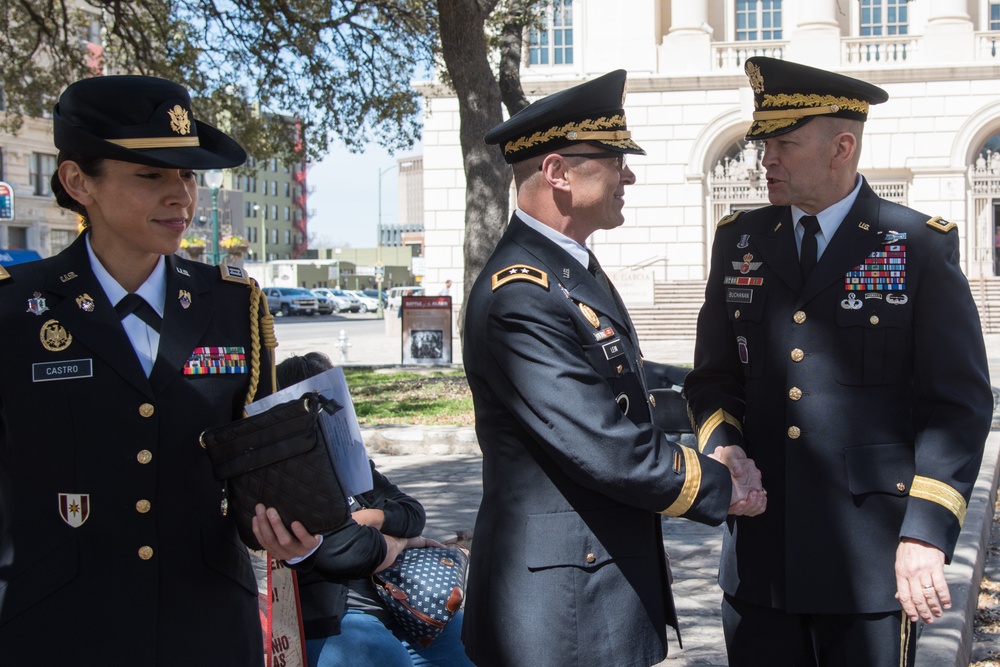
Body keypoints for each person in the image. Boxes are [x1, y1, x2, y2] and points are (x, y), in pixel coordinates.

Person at [684, 56, 994, 666]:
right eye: (762, 144)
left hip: (871, 559)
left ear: (841, 147)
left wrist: (925, 533)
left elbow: (957, 405)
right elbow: (714, 375)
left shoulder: (916, 246)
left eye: (783, 143)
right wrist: (724, 445)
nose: (764, 159)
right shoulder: (739, 240)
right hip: (760, 559)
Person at [461, 69, 766, 667]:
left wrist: (720, 400)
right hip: (557, 610)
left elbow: (623, 378)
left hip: (593, 581)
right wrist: (721, 485)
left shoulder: (566, 269)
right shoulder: (520, 292)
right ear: (557, 173)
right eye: (612, 158)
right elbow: (602, 442)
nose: (627, 173)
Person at [0, 75, 277, 663]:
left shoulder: (232, 303)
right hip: (57, 631)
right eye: (151, 175)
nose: (180, 196)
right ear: (79, 182)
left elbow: (262, 472)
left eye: (187, 175)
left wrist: (290, 526)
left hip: (208, 629)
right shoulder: (15, 307)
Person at [257, 352, 475, 667]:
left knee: (468, 647)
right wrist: (403, 542)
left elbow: (413, 513)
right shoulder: (283, 481)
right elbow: (350, 551)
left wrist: (372, 518)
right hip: (340, 617)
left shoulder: (350, 464)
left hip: (406, 605)